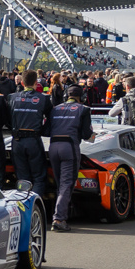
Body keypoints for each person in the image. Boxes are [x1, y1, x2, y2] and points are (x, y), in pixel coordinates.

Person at [46, 86, 94, 232]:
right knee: (67, 184)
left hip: (53, 147)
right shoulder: (84, 109)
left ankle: (62, 214)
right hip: (69, 147)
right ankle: (59, 219)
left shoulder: (55, 109)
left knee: (60, 184)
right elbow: (86, 135)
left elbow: (46, 130)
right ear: (82, 97)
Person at [7, 70, 50, 193]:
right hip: (33, 140)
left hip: (17, 141)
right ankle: (35, 207)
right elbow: (51, 118)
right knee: (39, 178)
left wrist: (14, 128)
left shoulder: (12, 97)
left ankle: (23, 206)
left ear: (21, 82)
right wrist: (43, 131)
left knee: (22, 178)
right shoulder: (43, 98)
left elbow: (6, 118)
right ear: (36, 83)